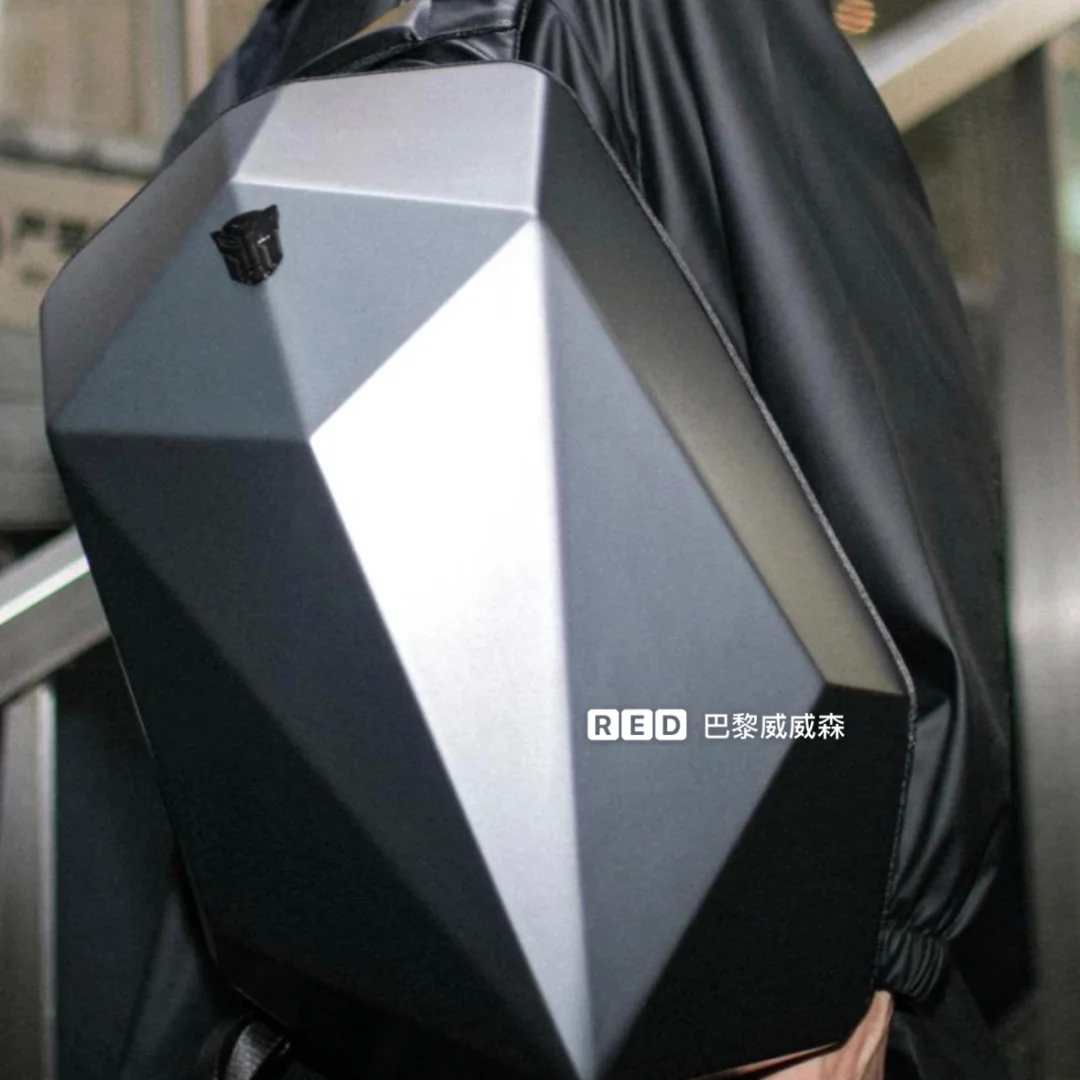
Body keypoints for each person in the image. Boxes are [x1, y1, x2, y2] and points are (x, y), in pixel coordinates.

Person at [162, 2, 1013, 1077]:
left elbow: (861, 417)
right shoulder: (266, 71)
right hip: (426, 949)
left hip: (675, 955)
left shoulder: (636, 17)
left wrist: (860, 942)